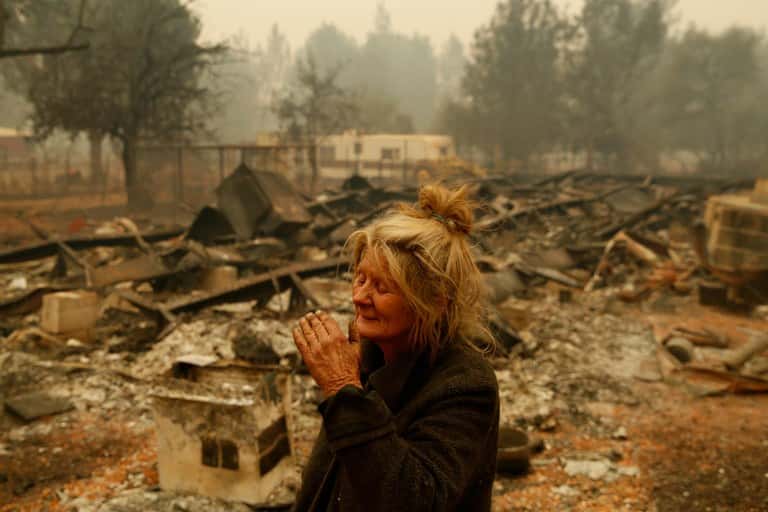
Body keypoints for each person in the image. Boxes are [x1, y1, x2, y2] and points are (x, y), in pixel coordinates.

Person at [291, 183, 500, 512]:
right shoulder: (367, 354)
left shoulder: (466, 385)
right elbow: (324, 482)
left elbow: (414, 500)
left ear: (433, 301)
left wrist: (344, 390)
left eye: (382, 287)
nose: (359, 297)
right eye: (360, 279)